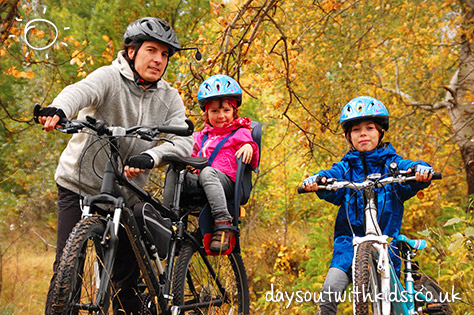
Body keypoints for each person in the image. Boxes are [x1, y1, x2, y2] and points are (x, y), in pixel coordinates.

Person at [36, 17, 193, 314]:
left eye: (164, 55)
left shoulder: (169, 97)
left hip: (127, 193)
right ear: (132, 52)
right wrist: (60, 108)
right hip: (78, 184)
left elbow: (184, 140)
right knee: (67, 271)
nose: (158, 60)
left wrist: (153, 157)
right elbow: (80, 91)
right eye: (151, 50)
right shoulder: (109, 77)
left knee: (126, 282)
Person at [302, 96, 434, 315]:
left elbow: (409, 167)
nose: (363, 133)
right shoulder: (345, 168)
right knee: (328, 294)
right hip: (348, 246)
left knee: (390, 305)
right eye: (356, 129)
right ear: (348, 136)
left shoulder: (392, 164)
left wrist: (421, 170)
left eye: (369, 127)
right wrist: (318, 179)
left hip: (387, 246)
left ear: (381, 131)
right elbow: (331, 176)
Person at [164, 74, 259, 252]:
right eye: (215, 111)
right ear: (207, 113)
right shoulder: (200, 136)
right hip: (200, 181)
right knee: (174, 170)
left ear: (234, 112)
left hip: (227, 182)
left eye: (226, 111)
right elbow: (188, 152)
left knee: (208, 172)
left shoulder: (240, 133)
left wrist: (248, 147)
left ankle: (223, 223)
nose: (221, 116)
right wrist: (186, 162)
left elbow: (251, 153)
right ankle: (169, 220)